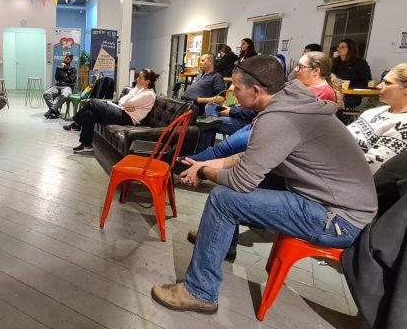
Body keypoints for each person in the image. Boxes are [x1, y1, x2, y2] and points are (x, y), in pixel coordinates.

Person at [151, 56, 377, 314]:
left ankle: (199, 291)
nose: (233, 94)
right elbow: (253, 157)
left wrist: (202, 171)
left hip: (338, 219)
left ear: (256, 90)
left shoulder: (278, 119)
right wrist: (208, 164)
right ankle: (223, 243)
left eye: (237, 88)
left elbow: (241, 180)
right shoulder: (289, 101)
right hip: (332, 203)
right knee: (240, 184)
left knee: (223, 199)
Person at [186, 52, 339, 163]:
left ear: (316, 71)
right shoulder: (302, 88)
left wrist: (234, 111)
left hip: (266, 129)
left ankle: (185, 163)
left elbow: (285, 114)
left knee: (218, 143)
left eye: (301, 67)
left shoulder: (321, 93)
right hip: (259, 123)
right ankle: (189, 162)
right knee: (215, 137)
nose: (296, 70)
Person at [346, 63, 407, 173]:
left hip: (351, 175)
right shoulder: (375, 111)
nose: (379, 86)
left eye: (387, 83)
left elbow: (373, 167)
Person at [64, 69, 159, 154]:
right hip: (122, 112)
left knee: (92, 102)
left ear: (147, 81)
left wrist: (127, 102)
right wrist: (125, 105)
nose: (137, 79)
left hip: (128, 118)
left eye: (140, 78)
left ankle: (76, 124)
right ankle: (86, 145)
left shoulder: (148, 94)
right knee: (89, 113)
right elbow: (122, 101)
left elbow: (126, 102)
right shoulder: (141, 90)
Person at [331, 38, 372, 108]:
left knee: (335, 104)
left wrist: (350, 88)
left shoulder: (360, 63)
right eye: (338, 47)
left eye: (342, 47)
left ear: (350, 49)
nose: (338, 49)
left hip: (351, 95)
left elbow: (367, 82)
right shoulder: (334, 62)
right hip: (335, 92)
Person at [43, 53, 77, 119]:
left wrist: (62, 80)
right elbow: (57, 78)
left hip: (68, 87)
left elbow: (71, 80)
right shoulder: (59, 67)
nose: (66, 60)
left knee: (64, 95)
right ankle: (56, 112)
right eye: (65, 58)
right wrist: (61, 69)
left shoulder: (73, 69)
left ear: (71, 60)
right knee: (46, 94)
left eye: (68, 59)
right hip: (57, 86)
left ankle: (51, 110)